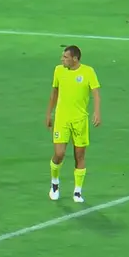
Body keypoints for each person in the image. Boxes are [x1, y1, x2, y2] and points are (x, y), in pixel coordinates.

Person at [45, 45, 101, 203]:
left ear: (75, 59)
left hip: (80, 120)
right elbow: (54, 93)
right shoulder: (58, 70)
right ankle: (54, 183)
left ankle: (77, 192)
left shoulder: (88, 72)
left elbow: (96, 93)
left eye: (65, 57)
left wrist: (97, 112)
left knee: (80, 156)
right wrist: (49, 113)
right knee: (59, 154)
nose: (62, 59)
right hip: (62, 119)